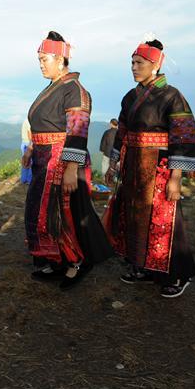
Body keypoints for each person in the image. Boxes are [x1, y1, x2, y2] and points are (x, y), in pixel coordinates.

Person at [102, 38, 195, 298]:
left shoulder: (172, 96)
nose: (134, 67)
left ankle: (177, 274)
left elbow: (181, 137)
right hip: (133, 166)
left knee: (164, 219)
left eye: (140, 63)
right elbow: (122, 132)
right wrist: (114, 162)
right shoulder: (130, 96)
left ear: (155, 64)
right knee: (134, 216)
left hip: (160, 168)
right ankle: (142, 266)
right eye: (132, 63)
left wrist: (175, 177)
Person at [21, 32, 112, 289]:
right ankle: (57, 258)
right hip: (42, 157)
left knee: (64, 212)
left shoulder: (75, 91)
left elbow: (78, 131)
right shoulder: (53, 87)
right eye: (39, 59)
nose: (40, 64)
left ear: (60, 59)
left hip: (61, 160)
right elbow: (40, 124)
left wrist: (72, 167)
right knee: (41, 209)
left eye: (44, 59)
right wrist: (30, 148)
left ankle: (77, 261)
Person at [20, 118, 33, 184]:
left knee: (25, 162)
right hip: (28, 143)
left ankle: (23, 179)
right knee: (30, 162)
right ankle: (29, 180)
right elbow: (30, 134)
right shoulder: (29, 121)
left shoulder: (25, 120)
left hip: (24, 142)